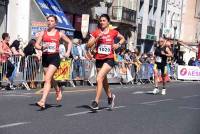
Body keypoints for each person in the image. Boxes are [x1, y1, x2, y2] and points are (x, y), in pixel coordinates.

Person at [87, 14, 125, 110]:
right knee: (104, 81)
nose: (102, 22)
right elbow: (88, 45)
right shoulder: (96, 32)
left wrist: (118, 44)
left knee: (99, 78)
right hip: (99, 59)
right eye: (101, 20)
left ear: (108, 22)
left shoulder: (113, 32)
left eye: (104, 20)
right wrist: (97, 38)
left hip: (109, 58)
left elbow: (123, 38)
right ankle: (110, 97)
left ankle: (96, 101)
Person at [34, 15, 72, 109]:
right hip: (45, 57)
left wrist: (67, 52)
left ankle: (43, 101)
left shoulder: (59, 34)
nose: (49, 22)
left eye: (52, 21)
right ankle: (58, 89)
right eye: (48, 20)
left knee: (47, 79)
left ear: (55, 23)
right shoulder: (43, 33)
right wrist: (42, 47)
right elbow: (36, 45)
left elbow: (69, 42)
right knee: (50, 78)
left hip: (55, 58)